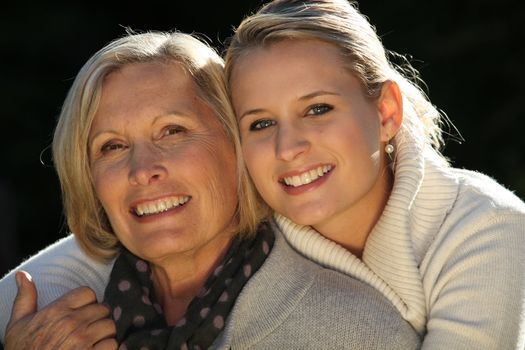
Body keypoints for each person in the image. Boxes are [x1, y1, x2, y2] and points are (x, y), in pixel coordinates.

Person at [0, 30, 421, 349]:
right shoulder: (40, 320)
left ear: (237, 145)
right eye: (112, 146)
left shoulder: (349, 330)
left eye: (173, 131)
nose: (142, 170)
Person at [222, 0, 525, 349]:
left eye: (317, 109)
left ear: (385, 112)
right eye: (261, 123)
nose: (287, 148)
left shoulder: (484, 224)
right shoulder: (238, 256)